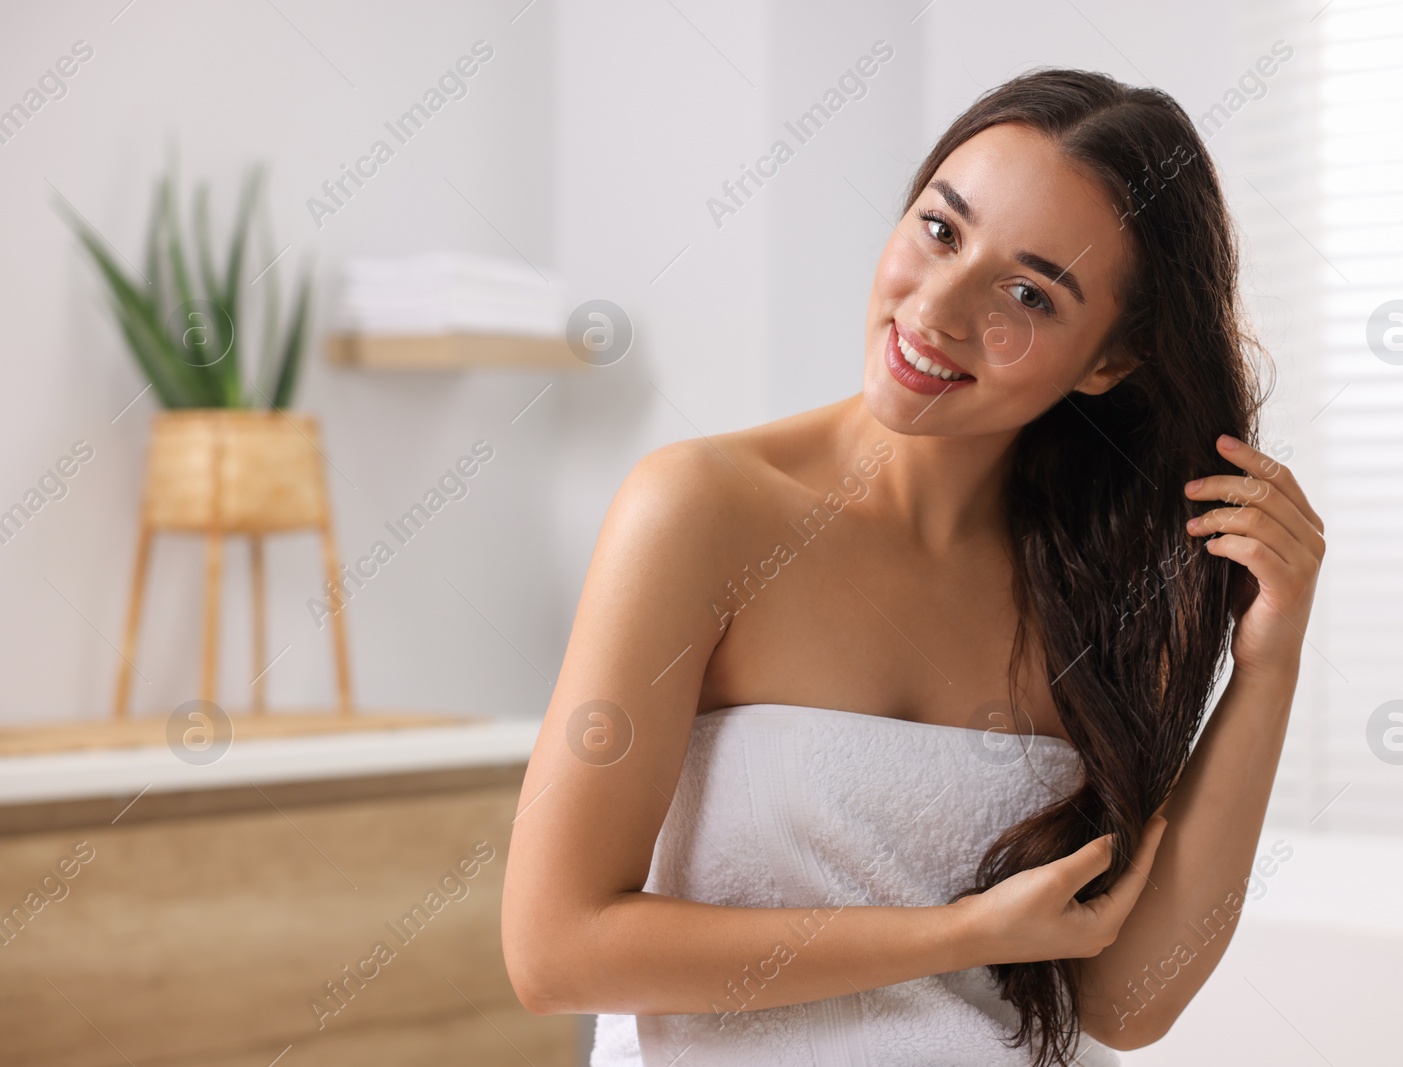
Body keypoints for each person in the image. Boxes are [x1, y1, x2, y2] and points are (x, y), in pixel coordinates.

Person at [501, 68, 1324, 1067]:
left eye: (1025, 291)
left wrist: (1270, 658)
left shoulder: (1106, 582)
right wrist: (958, 937)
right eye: (940, 230)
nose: (936, 308)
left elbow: (1126, 1002)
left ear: (1109, 361)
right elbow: (555, 949)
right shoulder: (701, 509)